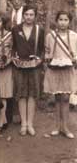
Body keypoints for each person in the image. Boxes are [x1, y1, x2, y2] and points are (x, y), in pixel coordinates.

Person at [44, 10, 77, 139]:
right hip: (55, 69)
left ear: (69, 22)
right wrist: (49, 59)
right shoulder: (50, 36)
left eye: (65, 20)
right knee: (57, 97)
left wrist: (74, 59)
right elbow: (47, 52)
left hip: (68, 69)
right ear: (56, 21)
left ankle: (66, 127)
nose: (63, 23)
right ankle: (57, 126)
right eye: (60, 20)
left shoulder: (74, 36)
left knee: (66, 98)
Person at [12, 5, 44, 136]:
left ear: (35, 16)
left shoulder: (39, 30)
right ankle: (23, 123)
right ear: (23, 15)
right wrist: (14, 58)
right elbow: (12, 47)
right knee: (21, 93)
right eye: (26, 14)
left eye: (31, 14)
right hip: (20, 66)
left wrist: (39, 60)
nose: (29, 17)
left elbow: (42, 49)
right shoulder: (15, 29)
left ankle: (30, 123)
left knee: (32, 94)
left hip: (34, 66)